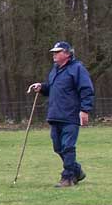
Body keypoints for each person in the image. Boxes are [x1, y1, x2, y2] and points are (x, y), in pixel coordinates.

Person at [28, 41, 95, 187]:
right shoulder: (55, 70)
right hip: (55, 114)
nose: (54, 55)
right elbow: (52, 89)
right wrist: (42, 87)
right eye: (53, 52)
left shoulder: (77, 69)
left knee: (68, 147)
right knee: (58, 148)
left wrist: (85, 110)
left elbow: (86, 90)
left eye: (57, 52)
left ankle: (68, 177)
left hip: (70, 115)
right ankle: (77, 171)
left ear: (67, 53)